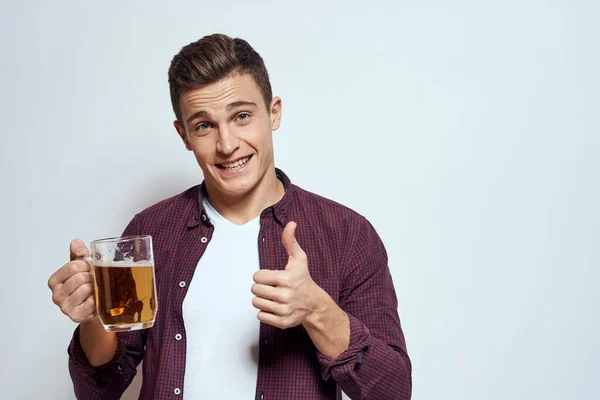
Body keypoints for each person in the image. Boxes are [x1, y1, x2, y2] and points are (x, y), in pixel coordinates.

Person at [48, 34, 412, 400]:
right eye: (204, 125)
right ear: (184, 135)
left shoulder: (346, 234)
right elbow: (101, 387)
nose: (227, 144)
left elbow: (393, 391)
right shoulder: (151, 231)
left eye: (241, 116)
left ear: (274, 112)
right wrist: (95, 318)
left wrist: (318, 312)